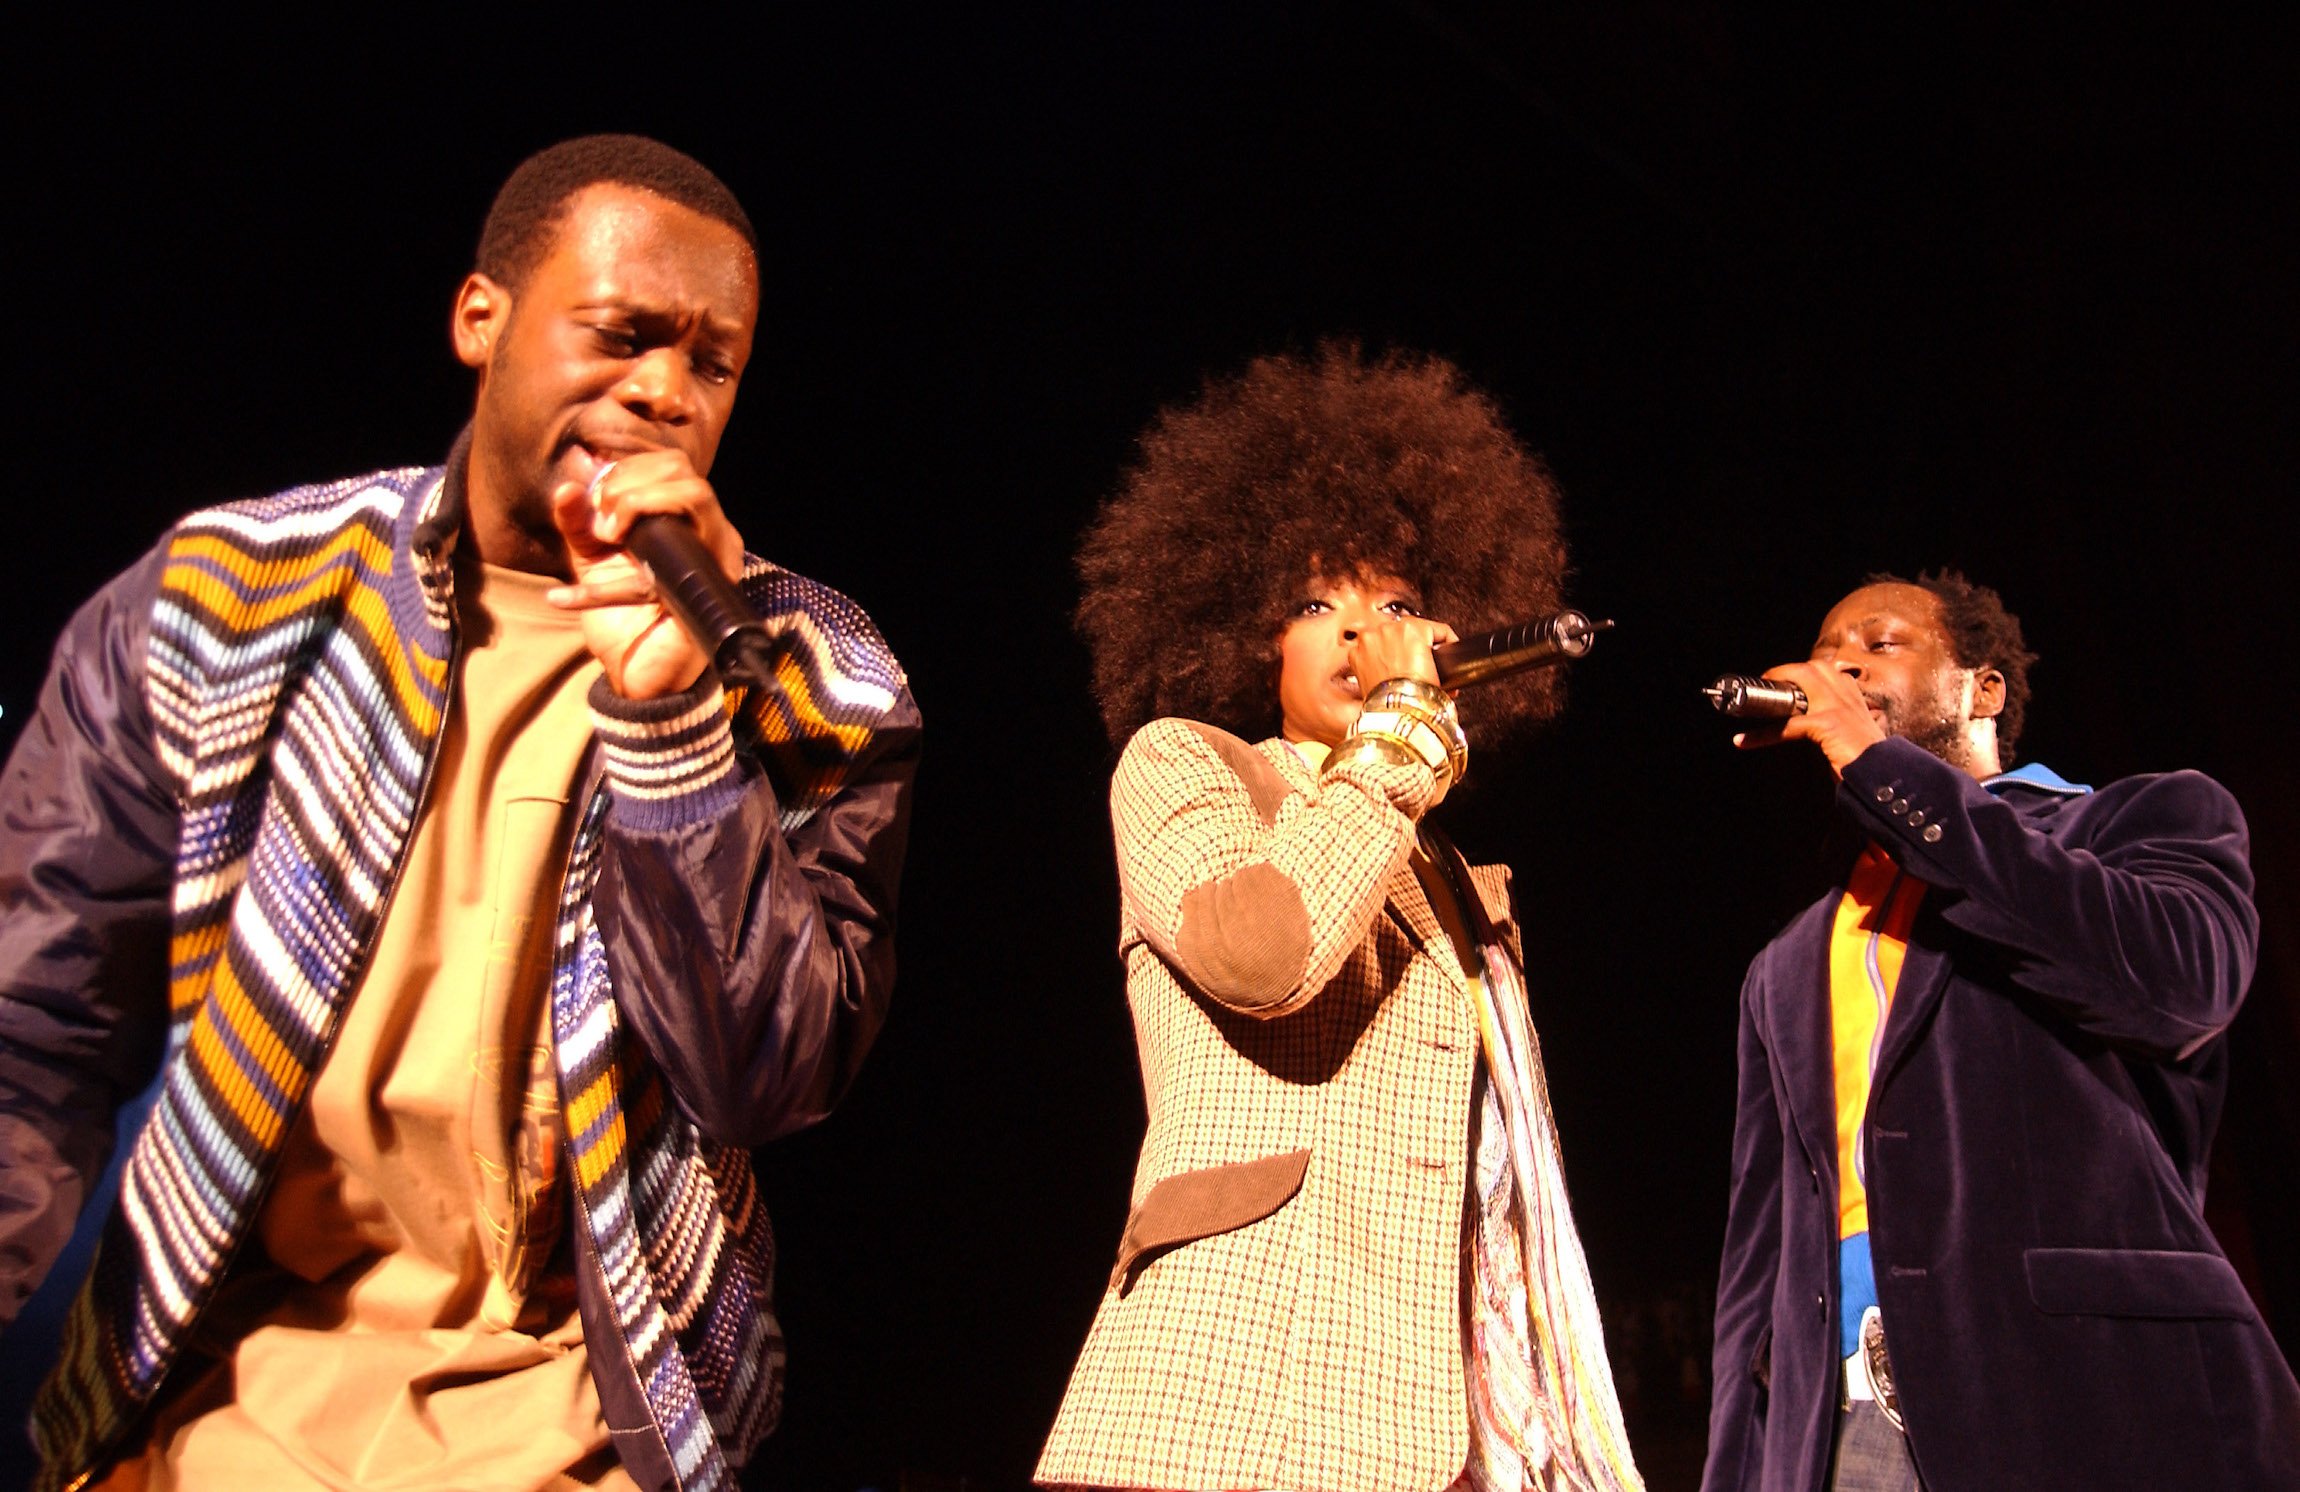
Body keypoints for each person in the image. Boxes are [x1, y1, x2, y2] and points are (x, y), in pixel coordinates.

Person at [0, 135, 920, 1492]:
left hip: (569, 1422)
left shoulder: (812, 675)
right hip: (218, 1395)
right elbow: (39, 1025)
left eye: (711, 363)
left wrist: (671, 724)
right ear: (480, 319)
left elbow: (771, 1072)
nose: (665, 391)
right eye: (623, 335)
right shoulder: (219, 604)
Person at [1037, 343, 1642, 1492]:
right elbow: (1264, 955)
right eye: (1318, 602)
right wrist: (1399, 746)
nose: (1365, 638)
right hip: (1243, 1391)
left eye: (1400, 604)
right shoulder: (1187, 768)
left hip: (1460, 1415)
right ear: (1252, 628)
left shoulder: (1450, 870)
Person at [1701, 573, 2300, 1491]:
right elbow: (1759, 1253)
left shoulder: (2135, 820)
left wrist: (1877, 764)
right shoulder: (1786, 962)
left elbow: (2182, 986)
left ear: (1984, 689)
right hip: (1845, 1422)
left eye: (1880, 642)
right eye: (1826, 652)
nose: (1841, 664)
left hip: (2088, 1393)